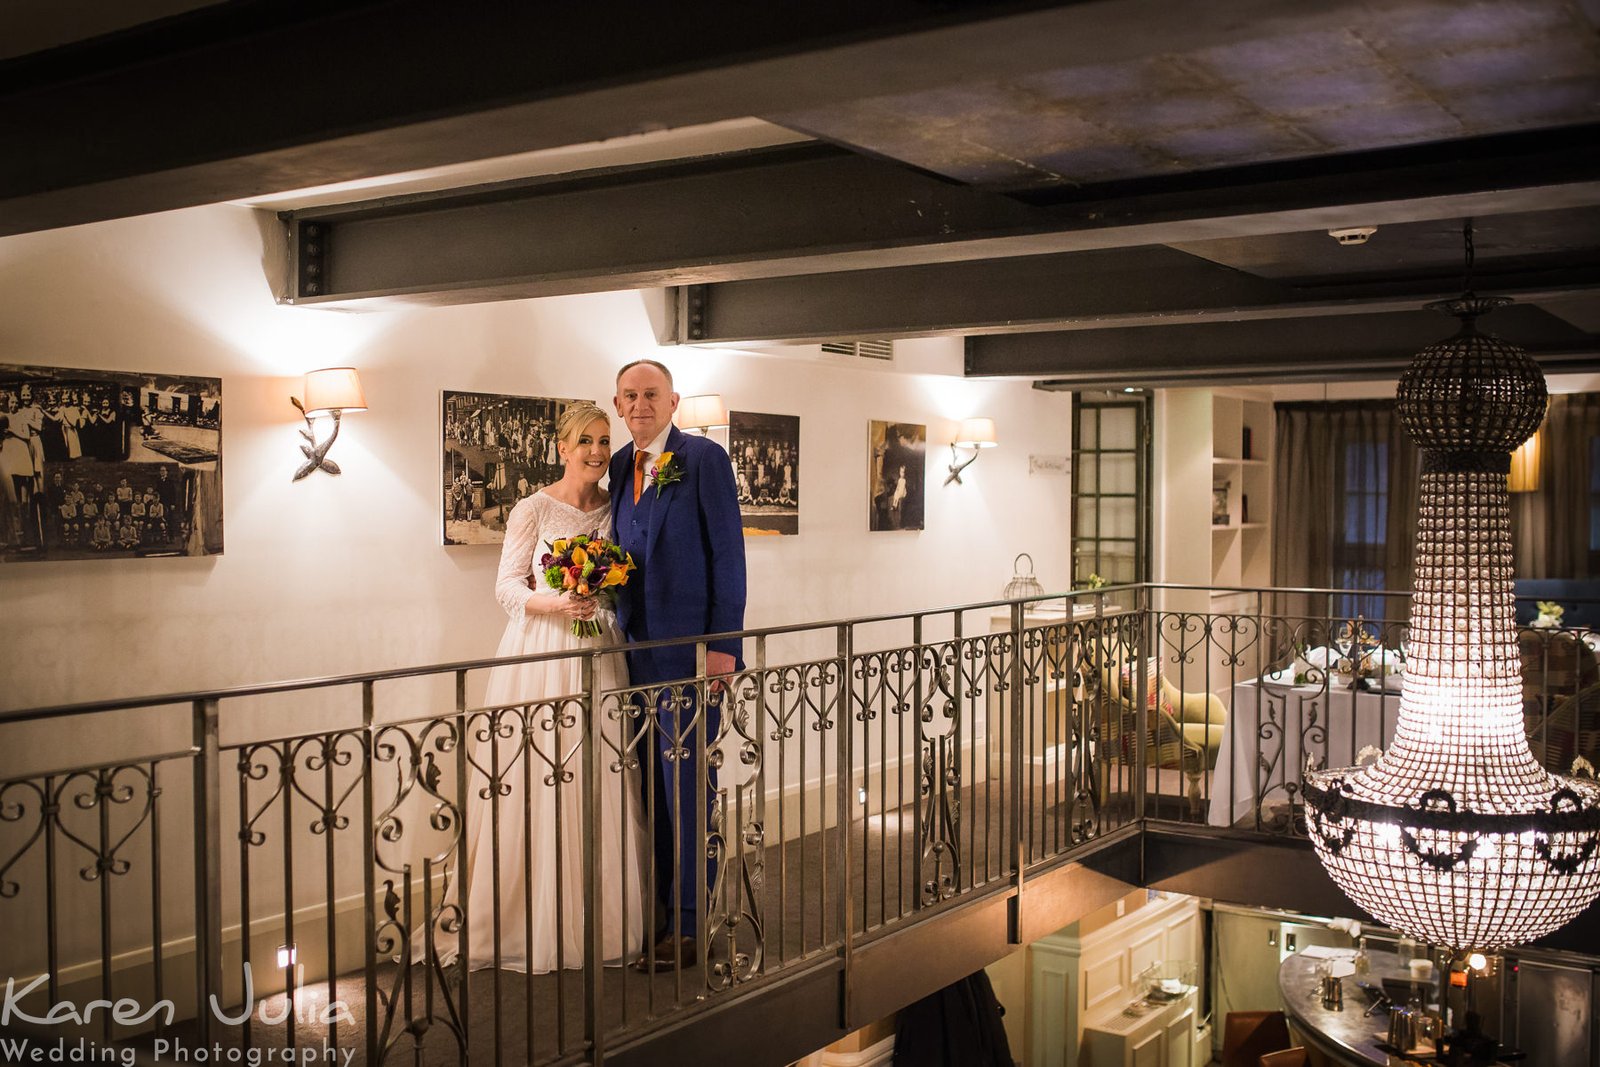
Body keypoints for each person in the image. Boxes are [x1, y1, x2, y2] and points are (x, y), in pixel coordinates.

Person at [458, 400, 646, 973]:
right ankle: (529, 913)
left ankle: (603, 915)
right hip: (541, 653)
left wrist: (599, 597)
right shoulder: (533, 508)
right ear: (562, 448)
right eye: (584, 441)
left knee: (600, 771)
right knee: (539, 771)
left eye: (601, 440)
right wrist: (558, 602)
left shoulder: (619, 508)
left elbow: (624, 581)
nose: (595, 451)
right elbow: (507, 588)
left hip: (600, 648)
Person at [609, 359, 746, 972]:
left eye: (651, 395)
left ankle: (695, 926)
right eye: (630, 396)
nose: (640, 405)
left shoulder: (704, 460)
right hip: (635, 656)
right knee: (652, 795)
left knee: (690, 791)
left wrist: (724, 646)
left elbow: (729, 556)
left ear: (673, 402)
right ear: (618, 405)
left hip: (692, 656)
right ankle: (661, 920)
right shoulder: (618, 466)